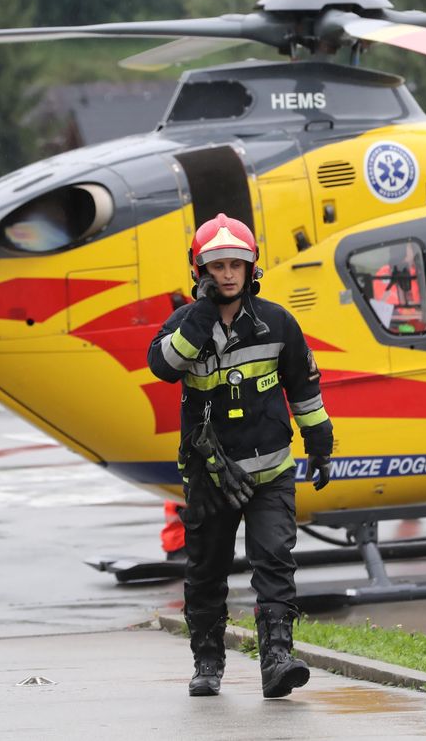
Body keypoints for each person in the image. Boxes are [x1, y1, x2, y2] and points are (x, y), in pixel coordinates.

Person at [147, 212, 333, 699]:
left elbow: (305, 389)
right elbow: (165, 366)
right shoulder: (182, 326)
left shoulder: (277, 323)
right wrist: (203, 314)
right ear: (199, 271)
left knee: (274, 560)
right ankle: (207, 662)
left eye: (237, 264)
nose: (227, 274)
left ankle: (277, 660)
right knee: (206, 571)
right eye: (216, 265)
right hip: (210, 479)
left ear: (252, 269)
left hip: (270, 473)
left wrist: (320, 444)